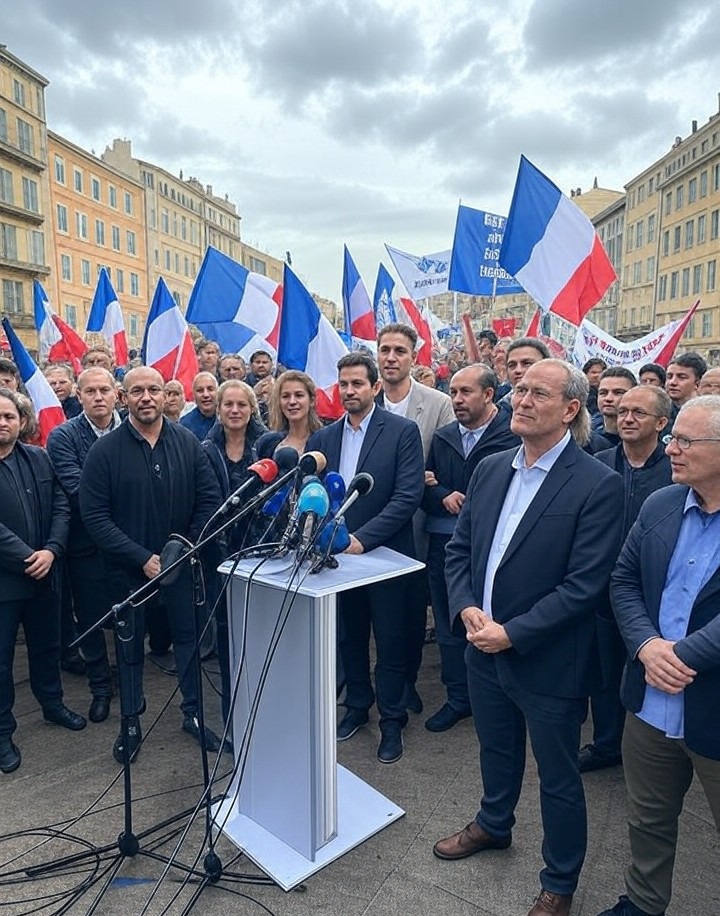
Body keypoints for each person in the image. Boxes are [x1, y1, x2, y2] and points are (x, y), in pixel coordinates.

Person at [434, 360, 624, 916]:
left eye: (538, 392)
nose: (521, 400)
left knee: (558, 776)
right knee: (495, 749)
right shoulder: (492, 468)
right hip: (482, 645)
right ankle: (494, 823)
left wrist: (513, 633)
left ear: (570, 409)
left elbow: (585, 585)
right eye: (518, 389)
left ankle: (559, 882)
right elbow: (459, 550)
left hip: (548, 658)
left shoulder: (598, 483)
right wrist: (467, 607)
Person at [596, 395, 720, 916]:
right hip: (649, 701)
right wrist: (646, 646)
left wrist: (682, 655)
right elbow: (623, 580)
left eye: (686, 440)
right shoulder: (662, 503)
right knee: (647, 817)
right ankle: (643, 904)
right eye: (673, 438)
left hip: (711, 704)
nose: (671, 448)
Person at [79, 367, 223, 763]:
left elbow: (209, 501)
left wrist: (184, 549)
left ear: (165, 395)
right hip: (128, 572)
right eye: (137, 390)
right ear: (123, 398)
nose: (146, 397)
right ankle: (130, 722)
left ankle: (193, 713)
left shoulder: (188, 442)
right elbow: (95, 516)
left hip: (181, 568)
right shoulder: (104, 452)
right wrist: (141, 558)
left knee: (188, 641)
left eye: (154, 390)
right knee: (129, 650)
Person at [306, 353, 424, 764]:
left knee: (390, 641)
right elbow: (314, 495)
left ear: (375, 387)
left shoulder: (402, 431)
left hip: (386, 558)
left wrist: (362, 540)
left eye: (357, 383)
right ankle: (357, 705)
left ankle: (392, 720)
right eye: (343, 384)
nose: (349, 391)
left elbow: (407, 496)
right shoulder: (323, 439)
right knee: (349, 637)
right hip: (337, 560)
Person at [580, 386, 673, 773]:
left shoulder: (675, 469)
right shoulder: (599, 463)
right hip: (603, 590)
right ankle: (607, 745)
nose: (627, 419)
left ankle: (656, 749)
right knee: (605, 672)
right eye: (623, 412)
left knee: (651, 667)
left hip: (657, 592)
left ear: (662, 423)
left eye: (638, 413)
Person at [422, 364, 519, 732]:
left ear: (489, 395)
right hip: (446, 544)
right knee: (451, 622)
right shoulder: (444, 436)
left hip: (495, 547)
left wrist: (470, 500)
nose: (457, 400)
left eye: (466, 392)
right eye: (454, 392)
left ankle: (502, 699)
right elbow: (424, 486)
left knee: (495, 621)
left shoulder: (512, 435)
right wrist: (441, 494)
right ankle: (458, 698)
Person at [0, 387, 85, 774]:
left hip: (45, 575)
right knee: (1, 662)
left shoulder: (39, 457)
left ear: (21, 422)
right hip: (5, 583)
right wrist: (27, 557)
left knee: (47, 647)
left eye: (9, 416)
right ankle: (3, 732)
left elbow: (62, 506)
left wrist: (51, 549)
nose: (3, 423)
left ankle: (52, 704)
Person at [375, 322, 454, 715]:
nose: (391, 358)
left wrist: (421, 478)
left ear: (413, 357)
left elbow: (445, 462)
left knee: (410, 607)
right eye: (385, 350)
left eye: (399, 351)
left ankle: (407, 680)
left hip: (418, 521)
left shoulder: (437, 404)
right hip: (372, 522)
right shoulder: (364, 399)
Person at [47, 368, 122, 724]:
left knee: (127, 617)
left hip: (129, 545)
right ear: (78, 395)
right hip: (86, 547)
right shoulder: (63, 436)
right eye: (90, 391)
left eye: (104, 390)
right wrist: (126, 498)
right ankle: (100, 688)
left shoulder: (133, 429)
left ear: (116, 393)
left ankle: (130, 683)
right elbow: (78, 489)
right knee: (91, 622)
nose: (98, 397)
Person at [256, 369, 323, 458]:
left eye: (299, 395)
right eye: (286, 396)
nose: (292, 402)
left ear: (312, 401)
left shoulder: (326, 440)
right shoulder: (268, 443)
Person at [589, 366, 637, 451]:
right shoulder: (586, 435)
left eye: (618, 393)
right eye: (603, 393)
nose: (608, 398)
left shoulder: (645, 436)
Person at [498, 337, 551, 409]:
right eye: (512, 365)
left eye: (527, 363)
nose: (518, 370)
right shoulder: (501, 408)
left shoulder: (559, 403)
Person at [665, 352, 707, 421]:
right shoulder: (658, 412)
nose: (672, 382)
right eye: (669, 377)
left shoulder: (708, 414)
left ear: (697, 383)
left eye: (682, 377)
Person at [180, 371, 218, 440]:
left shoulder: (228, 418)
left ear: (218, 392)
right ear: (193, 395)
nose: (206, 395)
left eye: (210, 389)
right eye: (200, 390)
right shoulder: (184, 425)